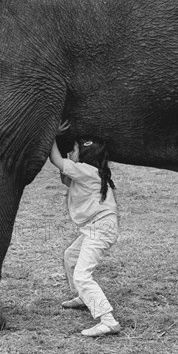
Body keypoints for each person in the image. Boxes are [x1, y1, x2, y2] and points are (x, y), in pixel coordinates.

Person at [48, 121, 121, 337]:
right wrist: (69, 161)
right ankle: (83, 297)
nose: (72, 152)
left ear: (85, 155)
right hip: (97, 226)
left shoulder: (86, 171)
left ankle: (108, 320)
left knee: (82, 275)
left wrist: (50, 134)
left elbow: (55, 160)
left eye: (76, 150)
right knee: (71, 256)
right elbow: (65, 178)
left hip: (100, 228)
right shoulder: (90, 171)